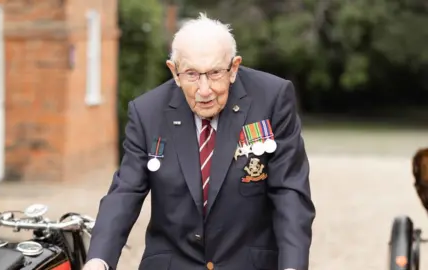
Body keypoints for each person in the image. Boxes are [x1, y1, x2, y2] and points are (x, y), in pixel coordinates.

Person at [83, 13, 316, 270]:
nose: (204, 90)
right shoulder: (147, 112)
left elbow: (289, 192)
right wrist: (98, 260)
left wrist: (292, 266)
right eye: (192, 74)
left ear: (234, 68)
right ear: (174, 71)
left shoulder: (272, 98)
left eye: (215, 73)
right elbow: (125, 192)